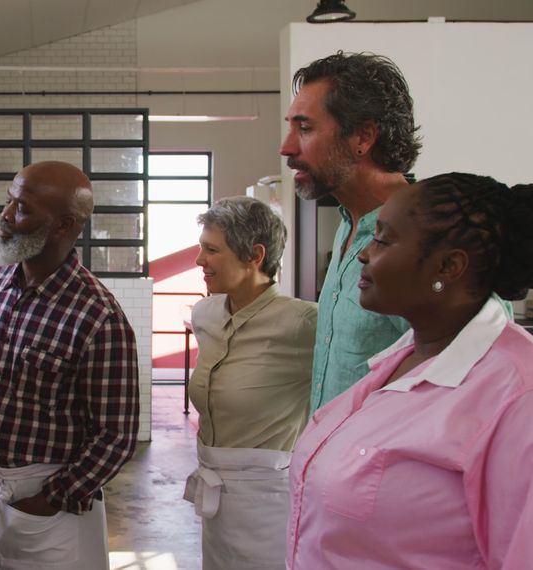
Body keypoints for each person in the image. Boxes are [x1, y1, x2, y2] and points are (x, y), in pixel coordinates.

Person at [287, 173, 533, 568]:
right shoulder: (399, 360)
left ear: (449, 266)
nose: (364, 254)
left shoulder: (517, 399)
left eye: (383, 239)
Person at [0, 161, 139, 569]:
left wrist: (52, 497)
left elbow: (116, 434)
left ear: (64, 226)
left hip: (51, 508)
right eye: (9, 202)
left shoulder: (98, 316)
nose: (6, 216)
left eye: (23, 209)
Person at [280, 52, 419, 412]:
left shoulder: (424, 241)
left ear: (363, 136)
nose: (287, 148)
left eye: (305, 128)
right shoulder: (348, 225)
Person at [184, 197, 317, 569]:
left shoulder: (302, 323)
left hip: (269, 503)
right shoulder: (206, 314)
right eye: (200, 248)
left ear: (254, 256)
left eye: (211, 250)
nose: (199, 261)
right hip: (216, 497)